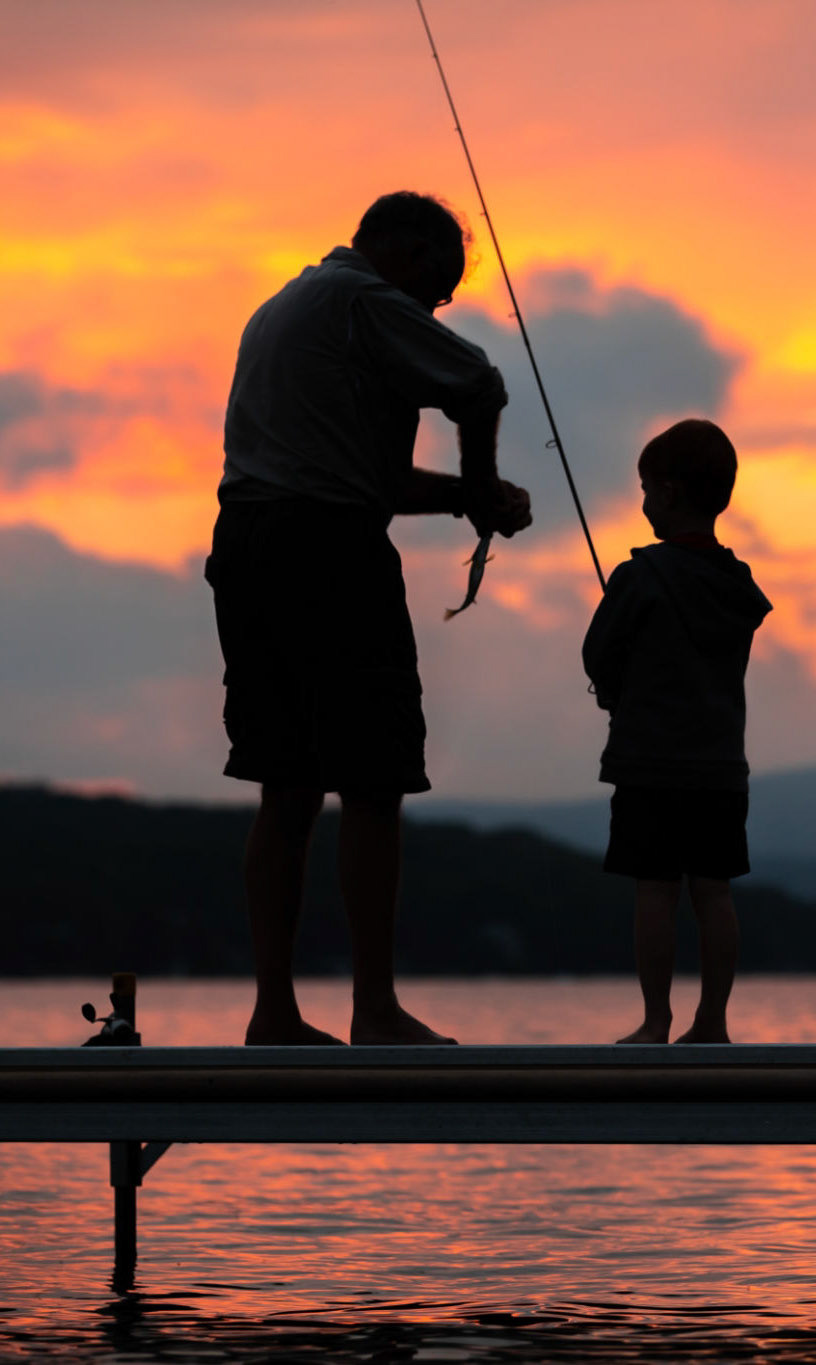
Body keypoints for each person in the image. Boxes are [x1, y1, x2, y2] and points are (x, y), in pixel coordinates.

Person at [205, 191, 531, 1046]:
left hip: (250, 544)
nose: (433, 306)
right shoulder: (362, 298)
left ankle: (274, 1011)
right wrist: (486, 485)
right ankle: (375, 1009)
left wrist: (469, 496)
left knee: (288, 785)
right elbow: (478, 384)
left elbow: (375, 480)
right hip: (325, 553)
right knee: (375, 782)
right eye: (437, 285)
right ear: (400, 248)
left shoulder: (285, 306)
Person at [582, 419, 772, 1043]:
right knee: (714, 893)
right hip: (721, 768)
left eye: (644, 487)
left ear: (664, 492)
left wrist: (615, 689)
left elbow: (597, 654)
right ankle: (712, 1023)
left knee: (655, 892)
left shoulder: (639, 577)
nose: (641, 501)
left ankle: (655, 1021)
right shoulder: (737, 585)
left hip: (649, 766)